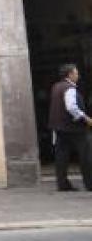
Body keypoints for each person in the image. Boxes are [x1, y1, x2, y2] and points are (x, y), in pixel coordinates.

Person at [48, 63, 92, 191]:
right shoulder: (70, 88)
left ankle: (62, 184)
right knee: (86, 155)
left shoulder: (56, 87)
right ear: (70, 75)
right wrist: (85, 118)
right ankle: (90, 183)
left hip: (59, 128)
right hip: (74, 128)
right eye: (76, 73)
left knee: (61, 156)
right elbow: (71, 107)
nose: (78, 75)